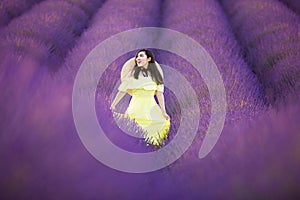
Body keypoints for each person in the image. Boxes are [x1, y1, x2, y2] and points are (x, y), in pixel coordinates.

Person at [110, 49, 170, 146]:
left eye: (141, 56)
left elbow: (159, 94)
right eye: (137, 56)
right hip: (136, 108)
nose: (138, 58)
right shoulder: (133, 74)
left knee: (161, 124)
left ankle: (152, 150)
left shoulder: (156, 76)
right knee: (135, 131)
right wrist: (113, 104)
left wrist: (163, 111)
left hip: (151, 108)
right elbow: (122, 90)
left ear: (148, 59)